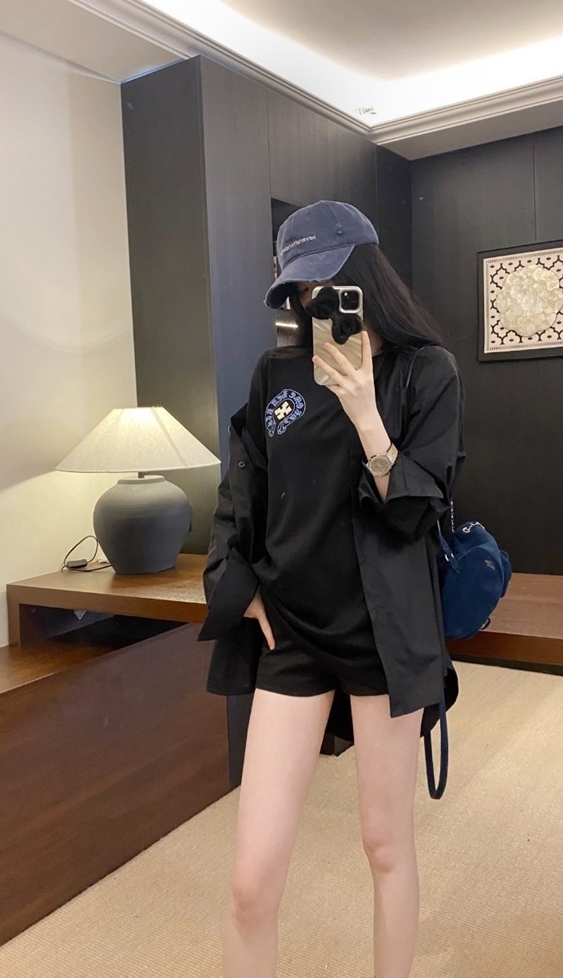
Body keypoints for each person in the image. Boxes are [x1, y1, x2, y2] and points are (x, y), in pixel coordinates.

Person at [198, 199, 465, 978]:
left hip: (383, 636)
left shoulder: (426, 370)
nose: (313, 302)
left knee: (386, 844)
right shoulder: (275, 373)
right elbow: (239, 493)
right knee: (251, 882)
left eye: (326, 283)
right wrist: (240, 586)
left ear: (364, 275)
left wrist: (364, 413)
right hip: (293, 633)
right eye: (300, 290)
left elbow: (418, 508)